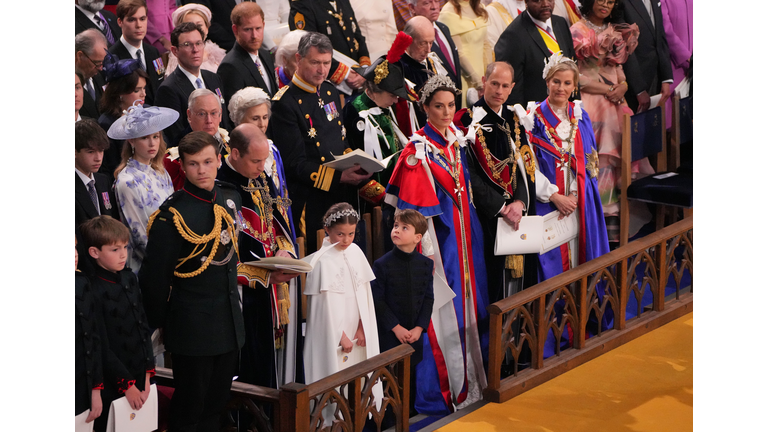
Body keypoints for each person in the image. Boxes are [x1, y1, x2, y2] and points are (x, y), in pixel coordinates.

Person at [385, 74, 489, 414]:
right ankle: (446, 388)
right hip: (441, 246)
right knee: (443, 312)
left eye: (450, 106)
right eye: (438, 107)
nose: (446, 113)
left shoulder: (455, 140)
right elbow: (414, 213)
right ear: (425, 108)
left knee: (473, 303)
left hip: (466, 238)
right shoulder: (419, 150)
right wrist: (426, 255)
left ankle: (475, 375)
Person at [139, 131, 244, 432]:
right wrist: (160, 323)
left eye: (208, 162)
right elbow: (154, 278)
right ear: (183, 168)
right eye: (194, 164)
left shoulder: (229, 197)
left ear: (219, 161)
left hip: (228, 322)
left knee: (217, 404)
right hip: (192, 328)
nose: (202, 170)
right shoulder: (171, 215)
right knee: (190, 409)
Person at [217, 123, 303, 389]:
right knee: (250, 367)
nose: (262, 166)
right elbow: (223, 256)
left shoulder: (261, 178)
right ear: (234, 154)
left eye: (264, 159)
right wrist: (265, 275)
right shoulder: (219, 187)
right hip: (243, 292)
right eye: (256, 160)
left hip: (273, 286)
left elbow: (277, 221)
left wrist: (285, 250)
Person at [268, 32, 371, 251]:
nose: (322, 70)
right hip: (311, 200)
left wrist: (356, 162)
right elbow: (294, 164)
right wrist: (339, 176)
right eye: (315, 62)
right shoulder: (284, 103)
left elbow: (339, 140)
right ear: (298, 59)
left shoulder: (330, 90)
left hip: (340, 193)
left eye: (326, 63)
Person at [455, 61, 542, 303]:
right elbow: (468, 174)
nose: (499, 91)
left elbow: (526, 167)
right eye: (494, 84)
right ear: (484, 81)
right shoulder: (465, 121)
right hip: (487, 215)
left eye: (505, 86)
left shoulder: (515, 119)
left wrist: (520, 202)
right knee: (494, 284)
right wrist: (501, 207)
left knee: (523, 284)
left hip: (517, 211)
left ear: (512, 87)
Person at [570, 0, 653, 244]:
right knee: (601, 161)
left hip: (614, 100)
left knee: (621, 151)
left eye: (610, 1)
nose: (605, 5)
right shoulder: (576, 31)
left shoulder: (616, 32)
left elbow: (619, 71)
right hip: (591, 102)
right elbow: (576, 78)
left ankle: (618, 223)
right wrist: (608, 90)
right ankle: (600, 225)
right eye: (600, 0)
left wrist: (624, 86)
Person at [527, 53, 610, 280]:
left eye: (566, 83)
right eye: (556, 81)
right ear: (547, 82)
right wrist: (555, 196)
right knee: (553, 263)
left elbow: (589, 160)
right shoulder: (531, 119)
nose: (560, 88)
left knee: (581, 253)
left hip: (579, 200)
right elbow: (528, 166)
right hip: (547, 202)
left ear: (574, 86)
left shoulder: (580, 115)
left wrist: (574, 194)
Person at [303, 203, 382, 410]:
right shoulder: (321, 261)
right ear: (327, 229)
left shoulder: (355, 252)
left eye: (351, 234)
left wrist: (362, 327)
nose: (346, 240)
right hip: (336, 334)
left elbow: (363, 297)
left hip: (357, 328)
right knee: (336, 378)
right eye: (340, 234)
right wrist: (340, 335)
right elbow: (324, 309)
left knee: (359, 381)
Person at [81, 215, 155, 432]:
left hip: (141, 375)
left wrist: (148, 374)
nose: (123, 254)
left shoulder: (129, 278)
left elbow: (143, 326)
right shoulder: (92, 289)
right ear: (94, 252)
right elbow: (101, 346)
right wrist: (127, 385)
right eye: (114, 250)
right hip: (114, 382)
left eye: (124, 247)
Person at [370, 209, 434, 416]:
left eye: (404, 227)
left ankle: (408, 418)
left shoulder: (426, 264)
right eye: (396, 226)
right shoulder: (381, 265)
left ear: (418, 237)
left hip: (414, 335)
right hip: (390, 335)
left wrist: (419, 328)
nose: (397, 230)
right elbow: (377, 300)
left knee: (410, 379)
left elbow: (428, 298)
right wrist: (396, 328)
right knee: (389, 380)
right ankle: (388, 421)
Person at [343, 32, 416, 208]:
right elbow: (356, 161)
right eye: (393, 95)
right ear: (375, 91)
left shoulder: (384, 106)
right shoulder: (356, 111)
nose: (397, 100)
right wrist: (383, 198)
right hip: (373, 202)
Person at [108, 104, 178, 273]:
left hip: (173, 256)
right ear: (132, 140)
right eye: (144, 137)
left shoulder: (161, 172)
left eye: (156, 136)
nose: (152, 143)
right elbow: (138, 235)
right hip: (147, 267)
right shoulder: (127, 181)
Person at [228, 87, 295, 235]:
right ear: (239, 120)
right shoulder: (233, 156)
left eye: (265, 117)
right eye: (255, 118)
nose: (262, 124)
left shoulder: (273, 149)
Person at [155, 22, 230, 147]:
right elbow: (175, 136)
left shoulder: (213, 78)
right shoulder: (168, 89)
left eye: (198, 43)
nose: (195, 50)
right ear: (175, 51)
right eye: (187, 45)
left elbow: (224, 121)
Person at [494, 0, 577, 106]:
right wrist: (521, 119)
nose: (545, 4)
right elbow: (512, 90)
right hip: (535, 115)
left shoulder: (560, 23)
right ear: (526, 2)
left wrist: (575, 106)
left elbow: (573, 67)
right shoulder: (513, 36)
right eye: (538, 0)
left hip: (566, 110)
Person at [289, 0, 371, 96]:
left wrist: (364, 70)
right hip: (328, 86)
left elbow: (357, 35)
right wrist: (346, 74)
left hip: (358, 81)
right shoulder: (303, 4)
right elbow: (308, 48)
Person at [164, 88, 231, 190]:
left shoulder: (228, 140)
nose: (209, 121)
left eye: (213, 113)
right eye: (202, 114)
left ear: (220, 114)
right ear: (189, 115)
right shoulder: (175, 155)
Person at [98, 52, 148, 179]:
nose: (143, 94)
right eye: (137, 90)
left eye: (144, 88)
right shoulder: (106, 123)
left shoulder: (148, 112)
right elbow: (111, 165)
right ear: (120, 92)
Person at [218, 2, 278, 106]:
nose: (254, 35)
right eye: (248, 29)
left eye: (258, 28)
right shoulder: (229, 66)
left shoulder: (266, 55)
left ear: (263, 25)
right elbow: (234, 113)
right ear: (235, 30)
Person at [108, 0, 165, 106]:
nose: (139, 25)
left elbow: (159, 85)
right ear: (120, 22)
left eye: (142, 19)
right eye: (131, 20)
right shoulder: (112, 57)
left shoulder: (153, 52)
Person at [620, 0, 673, 113]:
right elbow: (624, 47)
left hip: (657, 77)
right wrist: (639, 90)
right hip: (635, 80)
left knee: (655, 126)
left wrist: (666, 79)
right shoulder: (621, 2)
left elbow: (660, 37)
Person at [438, 0, 491, 106]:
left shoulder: (479, 7)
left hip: (484, 78)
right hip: (465, 79)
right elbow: (458, 53)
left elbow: (486, 45)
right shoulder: (448, 13)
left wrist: (489, 76)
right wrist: (478, 83)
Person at [408, 0, 463, 96]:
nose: (434, 7)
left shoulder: (443, 28)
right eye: (427, 3)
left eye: (437, 1)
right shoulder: (411, 39)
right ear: (412, 8)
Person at [75, 245, 104, 425]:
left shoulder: (81, 282)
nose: (75, 254)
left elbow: (92, 339)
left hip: (82, 391)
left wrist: (95, 389)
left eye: (75, 247)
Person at [76, 119, 120, 234]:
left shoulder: (103, 180)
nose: (98, 158)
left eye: (101, 151)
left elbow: (112, 219)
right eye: (90, 152)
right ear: (74, 152)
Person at [165, 3, 227, 76]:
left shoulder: (216, 53)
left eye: (199, 25)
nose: (195, 31)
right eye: (189, 26)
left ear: (207, 28)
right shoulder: (178, 56)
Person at [76, 29, 109, 119]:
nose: (101, 68)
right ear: (80, 56)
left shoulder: (100, 76)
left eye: (102, 63)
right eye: (97, 63)